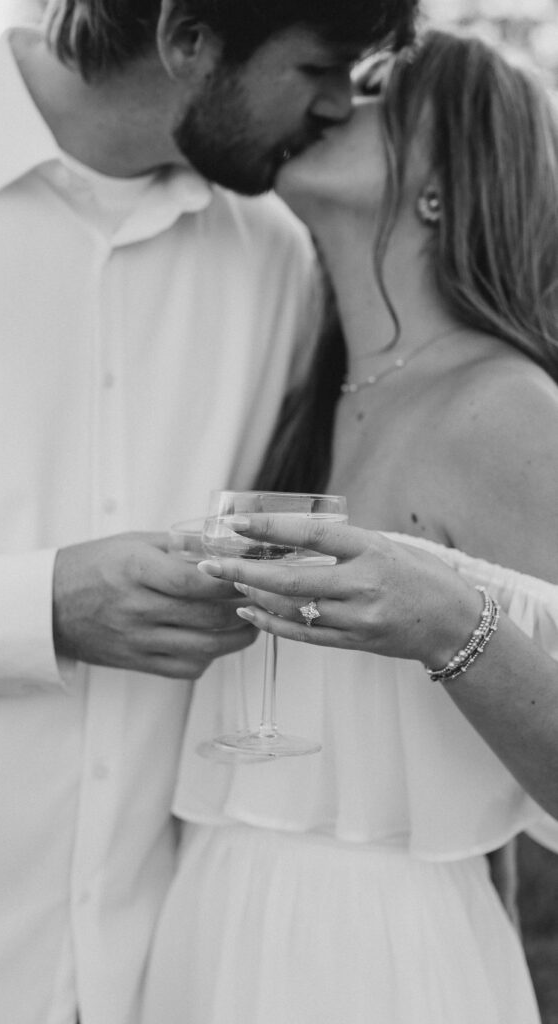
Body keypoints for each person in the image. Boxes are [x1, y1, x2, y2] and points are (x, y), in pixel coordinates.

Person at [0, 2, 418, 1022]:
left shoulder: (280, 261)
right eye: (319, 63)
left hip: (157, 973)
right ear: (186, 39)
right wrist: (39, 606)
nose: (341, 102)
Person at [141, 29, 558, 1024]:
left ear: (442, 185)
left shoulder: (507, 412)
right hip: (206, 921)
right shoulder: (296, 388)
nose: (331, 103)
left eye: (378, 92)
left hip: (371, 959)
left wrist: (444, 622)